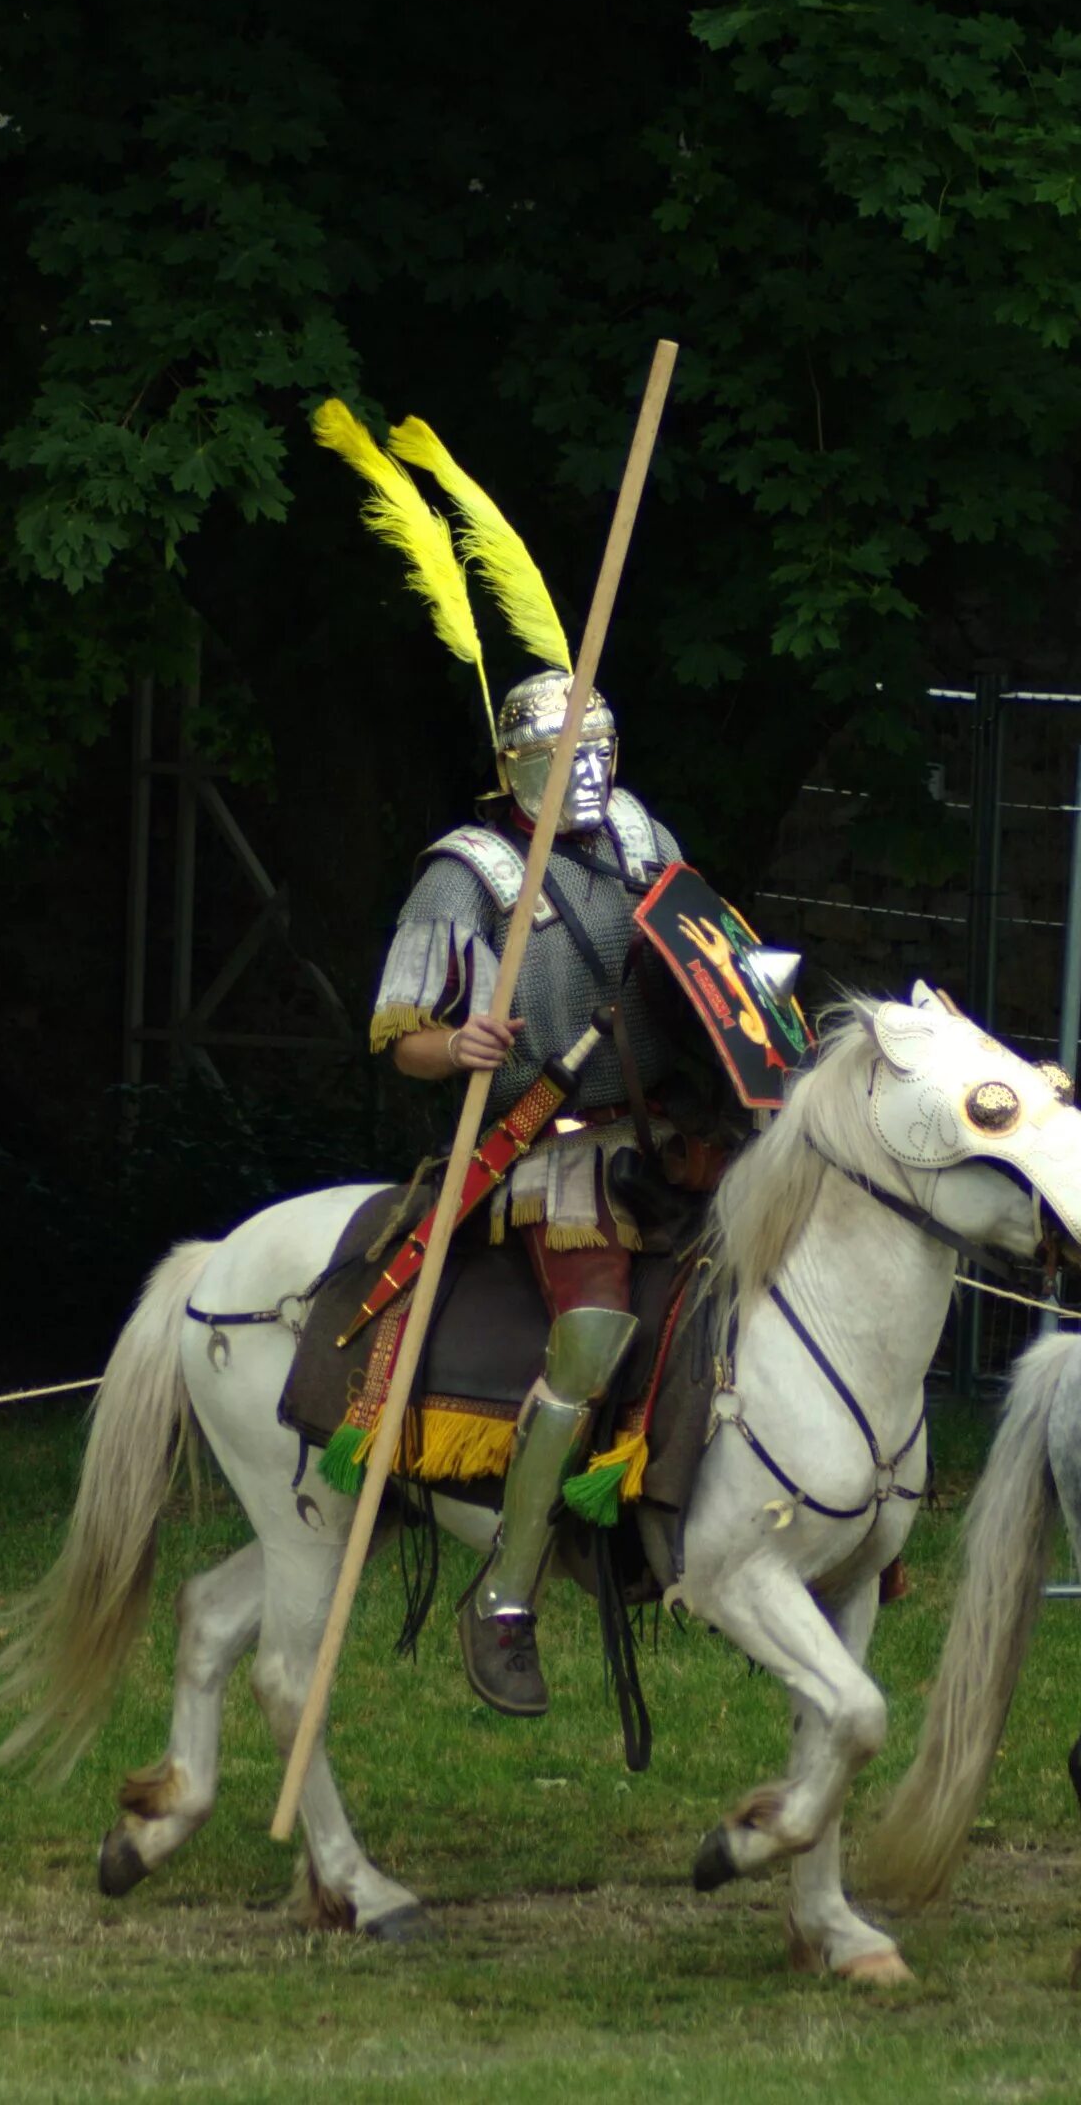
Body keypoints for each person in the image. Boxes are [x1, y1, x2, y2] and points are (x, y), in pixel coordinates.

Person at [373, 668, 724, 1717]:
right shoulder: (468, 874)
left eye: (596, 752)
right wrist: (459, 1040)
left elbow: (707, 960)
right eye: (562, 755)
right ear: (517, 763)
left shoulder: (642, 838)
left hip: (673, 1127)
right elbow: (402, 1038)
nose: (583, 774)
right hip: (551, 1143)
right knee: (593, 1331)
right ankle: (509, 1594)